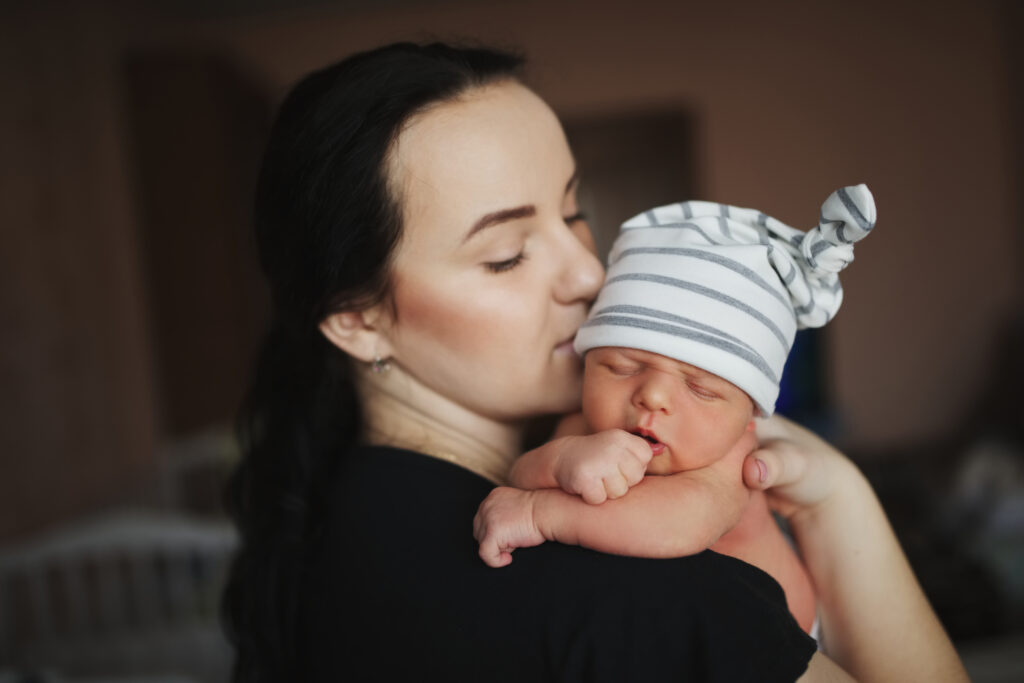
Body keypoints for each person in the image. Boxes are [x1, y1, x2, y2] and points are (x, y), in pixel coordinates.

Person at [221, 41, 969, 682]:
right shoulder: (646, 589)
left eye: (574, 210)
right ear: (357, 319)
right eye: (507, 255)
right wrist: (841, 502)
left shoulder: (344, 516)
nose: (587, 271)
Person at [473, 186, 878, 635]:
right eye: (622, 367)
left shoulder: (731, 458)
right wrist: (563, 461)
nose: (654, 397)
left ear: (750, 415)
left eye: (701, 388)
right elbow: (523, 475)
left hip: (782, 643)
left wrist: (537, 515)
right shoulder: (584, 424)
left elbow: (674, 529)